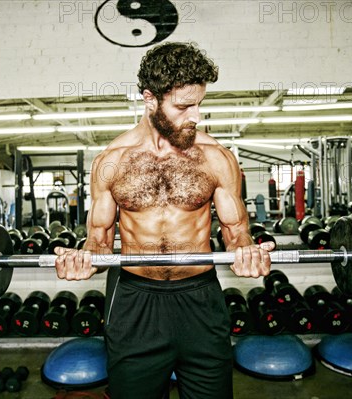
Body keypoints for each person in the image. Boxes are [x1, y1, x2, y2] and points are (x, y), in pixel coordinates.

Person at [54, 42, 274, 399]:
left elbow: (236, 234)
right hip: (135, 302)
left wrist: (248, 252)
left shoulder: (217, 158)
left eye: (200, 104)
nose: (196, 116)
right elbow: (98, 241)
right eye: (184, 106)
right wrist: (83, 260)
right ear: (149, 99)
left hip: (200, 299)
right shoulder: (110, 162)